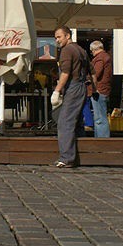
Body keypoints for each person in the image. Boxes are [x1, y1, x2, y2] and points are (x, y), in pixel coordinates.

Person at [50, 26, 90, 168]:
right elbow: (91, 72)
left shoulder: (67, 50)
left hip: (73, 87)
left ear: (67, 36)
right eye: (56, 37)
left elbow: (65, 73)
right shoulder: (81, 50)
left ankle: (66, 158)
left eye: (59, 37)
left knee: (65, 123)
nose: (57, 40)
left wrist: (57, 91)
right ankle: (82, 156)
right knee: (78, 123)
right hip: (81, 86)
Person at [89, 39, 113, 138]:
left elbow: (95, 74)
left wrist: (86, 77)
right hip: (104, 89)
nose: (92, 53)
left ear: (94, 49)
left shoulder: (100, 58)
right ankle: (100, 140)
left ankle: (102, 141)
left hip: (99, 90)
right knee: (100, 117)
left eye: (91, 51)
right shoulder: (106, 57)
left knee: (99, 118)